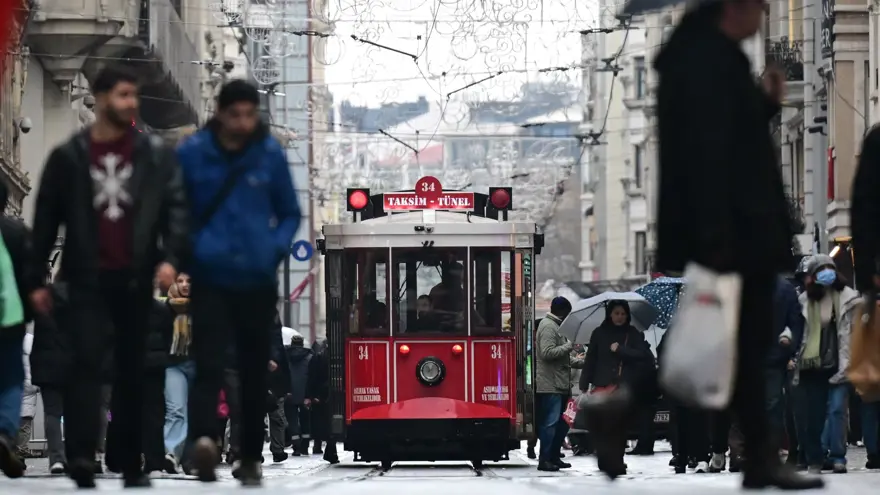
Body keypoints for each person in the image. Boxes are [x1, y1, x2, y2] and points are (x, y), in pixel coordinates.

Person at [581, 0, 823, 488]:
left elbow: (723, 135)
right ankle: (749, 452)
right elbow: (710, 152)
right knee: (738, 342)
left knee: (736, 343)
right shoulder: (707, 59)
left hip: (729, 226)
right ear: (735, 7)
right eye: (761, 6)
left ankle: (629, 410)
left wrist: (765, 105)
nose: (765, 16)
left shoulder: (700, 57)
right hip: (734, 228)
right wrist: (716, 236)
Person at [28, 64, 189, 488]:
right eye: (122, 95)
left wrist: (170, 258)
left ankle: (129, 459)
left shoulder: (153, 156)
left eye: (133, 96)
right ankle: (82, 456)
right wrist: (36, 281)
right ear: (100, 99)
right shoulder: (70, 157)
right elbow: (45, 221)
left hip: (135, 277)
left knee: (132, 371)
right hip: (85, 277)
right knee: (85, 367)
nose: (130, 103)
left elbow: (175, 209)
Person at [177, 79, 300, 485]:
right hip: (210, 274)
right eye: (236, 115)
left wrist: (273, 249)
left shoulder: (268, 154)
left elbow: (289, 212)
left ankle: (248, 456)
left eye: (251, 114)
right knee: (208, 363)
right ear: (220, 112)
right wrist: (186, 253)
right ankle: (205, 443)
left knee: (250, 369)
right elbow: (176, 208)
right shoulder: (194, 153)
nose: (244, 123)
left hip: (255, 277)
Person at [791, 254, 859, 474]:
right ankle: (817, 458)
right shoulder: (804, 301)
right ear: (812, 276)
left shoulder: (849, 298)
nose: (826, 272)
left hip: (842, 361)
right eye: (821, 269)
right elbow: (798, 331)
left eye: (829, 268)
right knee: (815, 415)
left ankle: (838, 456)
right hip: (813, 366)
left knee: (838, 411)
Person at [581, 300, 653, 475]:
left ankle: (617, 460)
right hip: (602, 385)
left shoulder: (632, 333)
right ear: (610, 314)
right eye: (616, 313)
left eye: (623, 314)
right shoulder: (598, 333)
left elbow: (642, 355)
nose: (619, 317)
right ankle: (604, 458)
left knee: (620, 426)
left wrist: (621, 350)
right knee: (602, 426)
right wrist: (584, 384)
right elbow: (591, 359)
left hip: (623, 387)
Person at [0, 181, 36, 479]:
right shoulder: (16, 231)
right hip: (10, 319)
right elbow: (31, 274)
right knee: (12, 380)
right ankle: (5, 433)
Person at [534, 297, 582, 472]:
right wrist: (569, 346)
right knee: (550, 423)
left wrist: (579, 361)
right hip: (550, 384)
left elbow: (561, 356)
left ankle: (554, 457)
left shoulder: (557, 327)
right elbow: (547, 353)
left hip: (560, 383)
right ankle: (545, 459)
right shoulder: (548, 326)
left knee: (562, 423)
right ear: (562, 311)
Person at [30, 274, 71, 475]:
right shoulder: (79, 302)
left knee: (53, 413)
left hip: (47, 367)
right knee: (75, 413)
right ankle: (76, 455)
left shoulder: (42, 303)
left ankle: (56, 458)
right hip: (73, 365)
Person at [162, 274, 195, 473]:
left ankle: (189, 460)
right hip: (173, 364)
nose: (184, 285)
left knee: (195, 413)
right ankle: (171, 454)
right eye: (180, 281)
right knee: (176, 410)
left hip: (198, 363)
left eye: (188, 281)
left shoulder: (202, 307)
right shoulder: (165, 308)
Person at [285, 331, 313, 457]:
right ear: (302, 344)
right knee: (305, 419)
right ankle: (305, 446)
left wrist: (286, 391)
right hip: (305, 394)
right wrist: (309, 395)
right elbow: (313, 377)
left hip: (289, 394)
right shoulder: (309, 357)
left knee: (292, 421)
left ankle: (296, 446)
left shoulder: (286, 356)